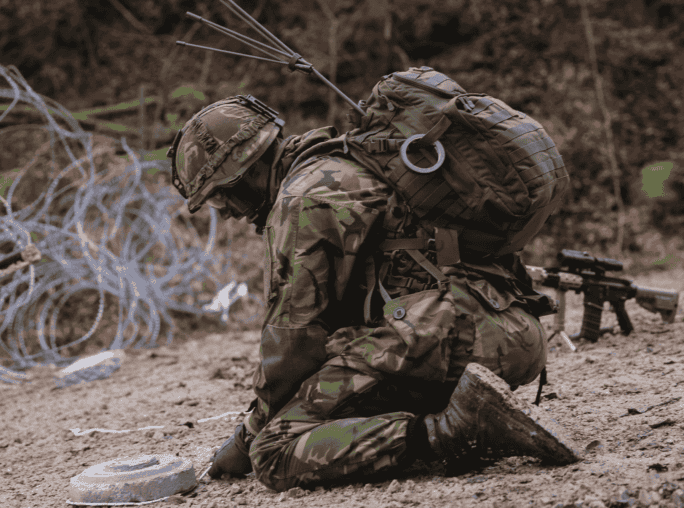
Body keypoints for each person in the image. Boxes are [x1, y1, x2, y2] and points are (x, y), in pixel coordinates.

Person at [166, 94, 579, 492]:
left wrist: (247, 439)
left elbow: (293, 342)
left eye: (221, 197)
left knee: (275, 453)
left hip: (456, 338)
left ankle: (459, 429)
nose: (230, 213)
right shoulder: (345, 159)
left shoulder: (301, 199)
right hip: (499, 325)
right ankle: (466, 410)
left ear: (246, 172)